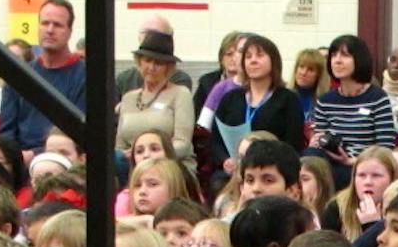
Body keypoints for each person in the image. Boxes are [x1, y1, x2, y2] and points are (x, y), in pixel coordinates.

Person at [0, 0, 88, 157]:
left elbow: (79, 134)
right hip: (19, 161)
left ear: (70, 31)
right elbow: (6, 132)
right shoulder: (18, 75)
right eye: (45, 23)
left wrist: (36, 154)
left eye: (58, 25)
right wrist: (13, 157)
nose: (50, 30)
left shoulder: (87, 77)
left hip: (65, 158)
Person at [215, 34, 307, 163]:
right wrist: (224, 160)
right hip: (233, 168)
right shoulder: (231, 98)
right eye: (248, 57)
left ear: (273, 61)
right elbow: (215, 139)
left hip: (273, 167)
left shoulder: (288, 99)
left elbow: (294, 144)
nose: (253, 60)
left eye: (259, 55)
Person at [114, 30, 193, 162]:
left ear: (169, 67)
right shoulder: (128, 98)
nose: (151, 67)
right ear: (139, 62)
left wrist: (151, 156)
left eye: (158, 63)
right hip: (131, 165)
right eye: (147, 60)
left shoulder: (180, 94)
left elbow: (183, 144)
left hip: (170, 164)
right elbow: (119, 147)